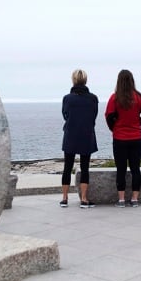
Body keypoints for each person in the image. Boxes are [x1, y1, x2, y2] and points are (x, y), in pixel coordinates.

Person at [104, 69, 141, 207]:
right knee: (135, 168)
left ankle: (121, 199)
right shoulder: (138, 97)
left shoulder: (115, 97)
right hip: (136, 137)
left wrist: (114, 127)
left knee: (121, 169)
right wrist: (138, 123)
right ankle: (135, 199)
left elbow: (109, 115)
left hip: (119, 137)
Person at [60, 69, 98, 208]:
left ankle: (64, 198)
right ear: (85, 80)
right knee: (85, 167)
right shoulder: (93, 98)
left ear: (73, 80)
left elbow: (65, 115)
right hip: (86, 134)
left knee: (67, 167)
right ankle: (83, 198)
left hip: (70, 133)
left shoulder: (67, 98)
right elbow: (94, 116)